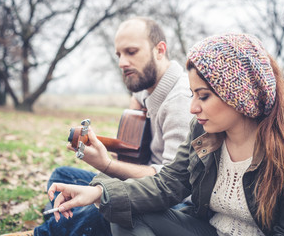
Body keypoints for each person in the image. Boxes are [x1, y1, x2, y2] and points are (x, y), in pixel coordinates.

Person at [47, 33, 284, 236]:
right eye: (192, 94)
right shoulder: (204, 132)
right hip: (209, 230)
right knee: (121, 208)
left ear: (240, 95)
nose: (193, 107)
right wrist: (99, 191)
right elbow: (167, 184)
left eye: (204, 96)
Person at [16, 17, 192, 236]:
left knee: (107, 206)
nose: (122, 63)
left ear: (160, 50)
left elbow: (171, 183)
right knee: (62, 177)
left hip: (170, 202)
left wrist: (107, 165)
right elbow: (132, 142)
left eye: (131, 52)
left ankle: (49, 230)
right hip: (137, 181)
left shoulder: (182, 100)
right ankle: (73, 220)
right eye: (119, 54)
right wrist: (133, 116)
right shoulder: (145, 85)